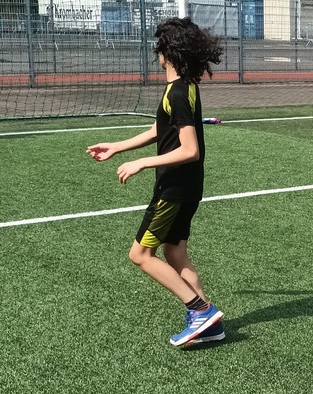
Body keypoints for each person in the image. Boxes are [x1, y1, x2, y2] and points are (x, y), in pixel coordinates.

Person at [87, 17, 223, 346]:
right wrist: (118, 147)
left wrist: (142, 162)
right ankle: (210, 325)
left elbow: (189, 150)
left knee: (141, 255)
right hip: (189, 187)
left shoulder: (177, 92)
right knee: (174, 252)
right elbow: (162, 130)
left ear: (167, 52)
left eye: (158, 47)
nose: (156, 53)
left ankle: (200, 310)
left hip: (174, 188)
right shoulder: (186, 86)